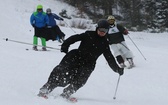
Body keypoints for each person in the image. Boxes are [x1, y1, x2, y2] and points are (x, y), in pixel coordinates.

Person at [37, 19, 124, 99]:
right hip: (76, 57)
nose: (102, 32)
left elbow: (110, 58)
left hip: (89, 63)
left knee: (81, 79)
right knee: (62, 73)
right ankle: (46, 89)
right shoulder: (88, 34)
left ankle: (67, 93)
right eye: (101, 30)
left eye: (105, 31)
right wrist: (65, 45)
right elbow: (75, 38)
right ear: (97, 28)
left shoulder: (105, 43)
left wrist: (117, 69)